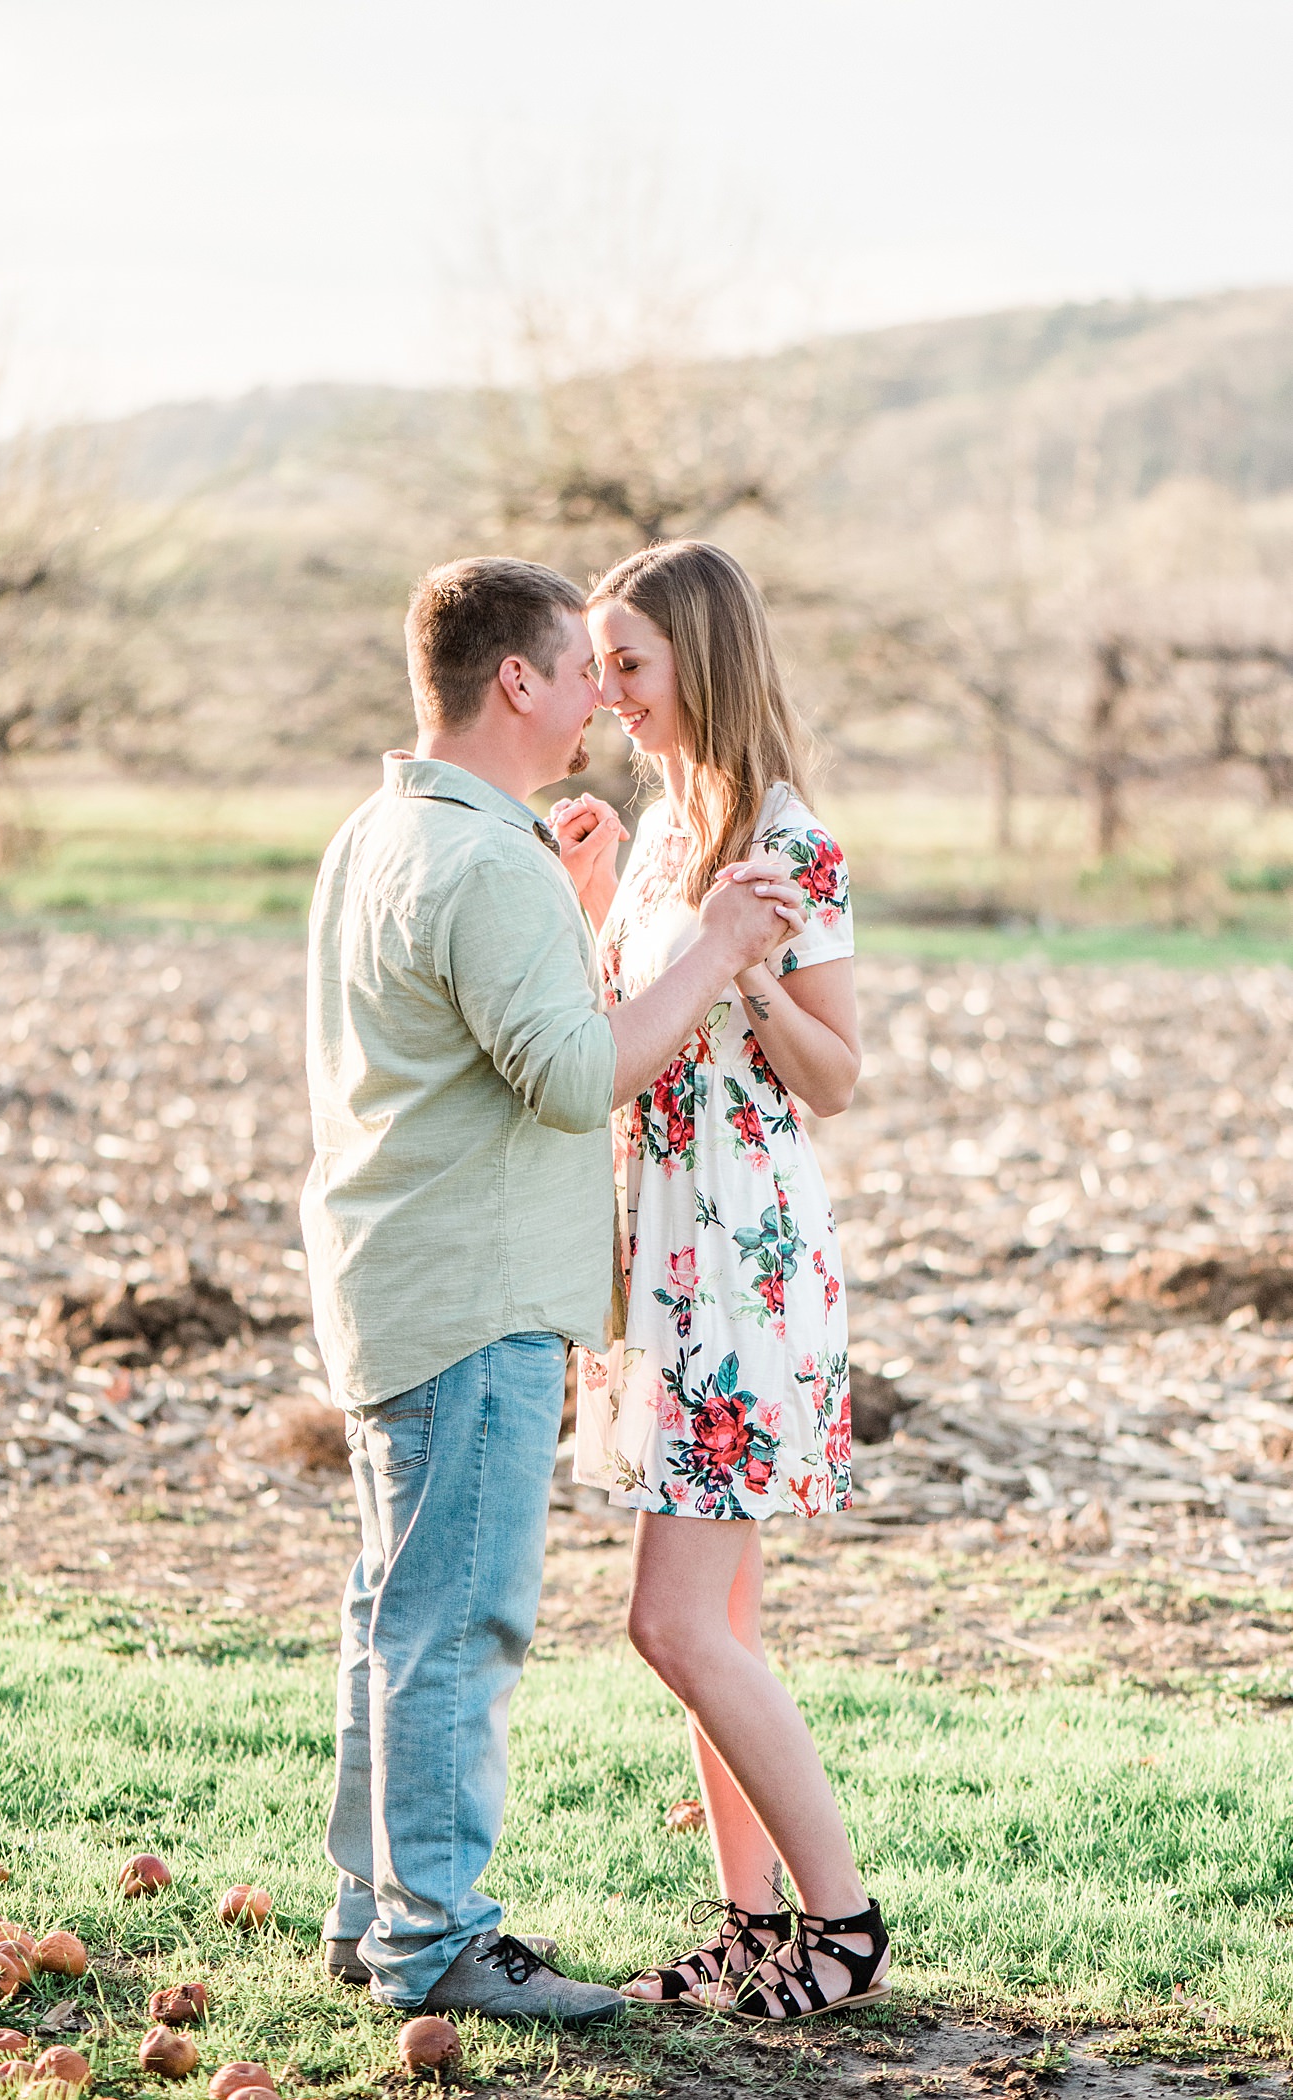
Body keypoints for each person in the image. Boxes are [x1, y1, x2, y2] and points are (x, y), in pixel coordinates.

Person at [300, 555, 805, 2026]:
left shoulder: (379, 831)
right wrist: (714, 946)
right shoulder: (481, 859)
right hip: (474, 1296)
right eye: (580, 669)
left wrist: (584, 901)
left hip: (389, 1277)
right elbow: (578, 1077)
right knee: (455, 1624)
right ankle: (436, 1938)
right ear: (515, 681)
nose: (600, 696)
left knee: (394, 1611)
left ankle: (369, 1906)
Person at [554, 540, 890, 2024]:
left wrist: (752, 972)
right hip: (660, 1262)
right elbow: (618, 1030)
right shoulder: (663, 818)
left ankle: (844, 1923)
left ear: (700, 655)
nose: (605, 689)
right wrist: (595, 896)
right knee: (716, 1626)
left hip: (740, 1267)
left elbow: (836, 1077)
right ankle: (752, 1926)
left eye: (629, 661)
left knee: (672, 1623)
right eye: (596, 662)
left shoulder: (781, 835)